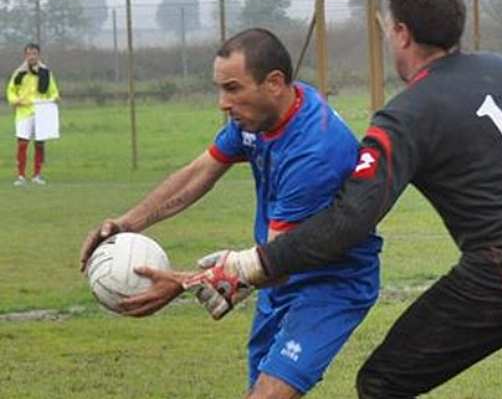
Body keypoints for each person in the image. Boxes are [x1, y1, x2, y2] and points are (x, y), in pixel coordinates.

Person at [108, 0, 502, 399]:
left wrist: (242, 267)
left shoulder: (404, 117)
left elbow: (350, 222)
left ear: (400, 32)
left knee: (383, 384)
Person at [79, 28, 382, 399]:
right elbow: (200, 172)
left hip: (329, 283)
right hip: (275, 276)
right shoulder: (265, 117)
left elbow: (279, 261)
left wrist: (179, 283)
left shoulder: (313, 151)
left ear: (274, 83)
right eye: (220, 88)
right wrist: (128, 223)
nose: (223, 102)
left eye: (233, 88)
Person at [6, 43, 60, 186]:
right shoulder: (19, 73)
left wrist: (55, 97)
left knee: (39, 144)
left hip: (41, 112)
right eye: (29, 54)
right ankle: (21, 176)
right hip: (24, 113)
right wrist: (16, 100)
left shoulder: (45, 72)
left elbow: (52, 90)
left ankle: (37, 175)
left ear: (38, 55)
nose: (32, 56)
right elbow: (11, 90)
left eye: (34, 53)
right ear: (25, 55)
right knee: (22, 144)